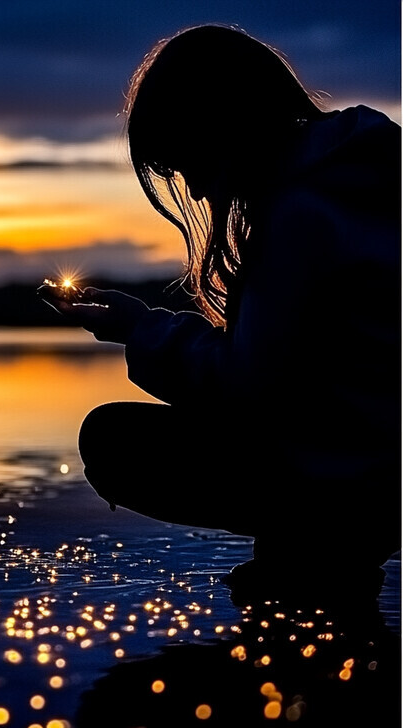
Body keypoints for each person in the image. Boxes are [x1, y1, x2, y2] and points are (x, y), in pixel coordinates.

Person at [39, 24, 401, 574]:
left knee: (113, 440)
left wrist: (139, 329)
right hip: (371, 455)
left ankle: (318, 543)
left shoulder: (300, 217)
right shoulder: (362, 179)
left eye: (190, 164)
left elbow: (249, 387)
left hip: (354, 471)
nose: (200, 191)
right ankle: (314, 557)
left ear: (222, 129)